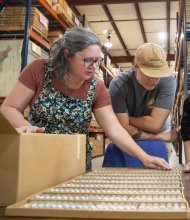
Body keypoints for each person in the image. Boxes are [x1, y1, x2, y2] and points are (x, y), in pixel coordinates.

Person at [0, 27, 170, 171]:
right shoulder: (40, 70)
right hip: (36, 155)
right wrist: (29, 129)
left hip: (75, 161)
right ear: (67, 54)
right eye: (88, 60)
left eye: (98, 61)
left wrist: (144, 157)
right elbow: (10, 108)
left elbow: (115, 129)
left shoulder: (97, 88)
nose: (94, 66)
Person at [109, 43, 177, 158]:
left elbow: (155, 125)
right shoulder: (118, 85)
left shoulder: (168, 80)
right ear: (136, 67)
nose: (154, 79)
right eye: (148, 73)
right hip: (149, 135)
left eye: (158, 74)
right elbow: (123, 128)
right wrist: (160, 136)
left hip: (158, 130)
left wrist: (127, 120)